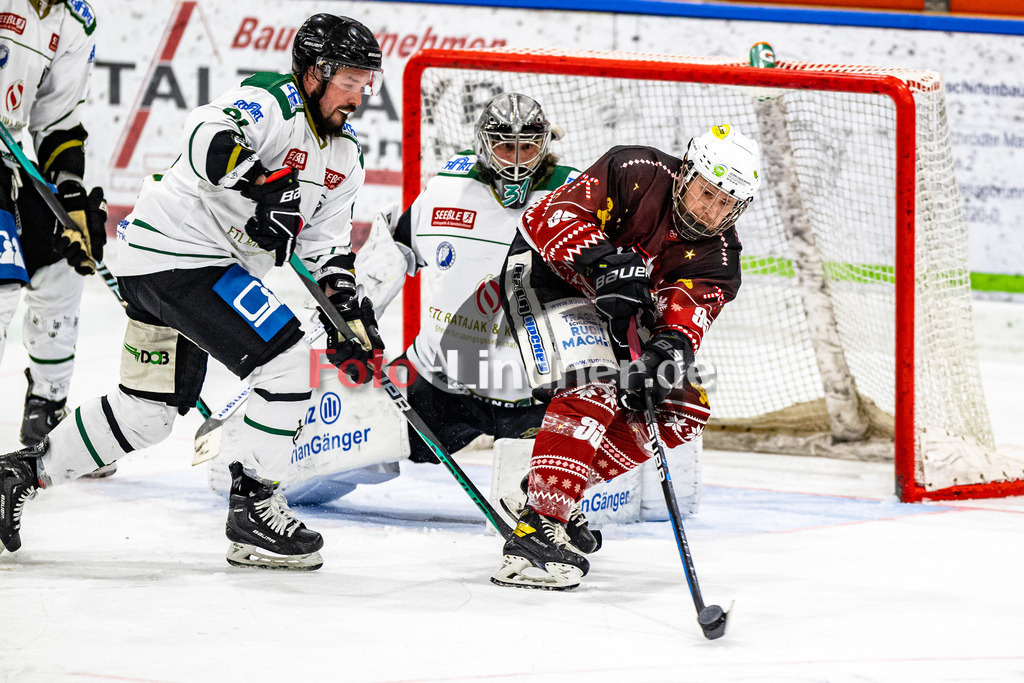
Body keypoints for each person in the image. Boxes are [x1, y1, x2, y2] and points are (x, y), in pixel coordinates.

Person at [0, 13, 385, 571]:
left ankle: (19, 474)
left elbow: (327, 250)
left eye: (365, 83)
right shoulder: (272, 100)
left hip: (170, 267)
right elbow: (205, 133)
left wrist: (348, 314)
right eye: (348, 81)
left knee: (147, 414)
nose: (358, 95)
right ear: (312, 73)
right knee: (288, 363)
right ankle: (255, 507)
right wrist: (260, 187)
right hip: (178, 256)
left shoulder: (344, 157)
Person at [494, 125, 762, 589]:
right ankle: (536, 528)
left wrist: (663, 354)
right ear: (685, 173)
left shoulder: (719, 257)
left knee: (682, 409)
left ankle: (551, 491)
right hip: (543, 275)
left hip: (615, 312)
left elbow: (683, 322)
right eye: (705, 192)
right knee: (594, 381)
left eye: (725, 203)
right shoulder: (636, 169)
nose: (709, 210)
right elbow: (548, 218)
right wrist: (602, 260)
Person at [390, 93, 579, 468]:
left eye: (528, 148)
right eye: (505, 147)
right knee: (362, 439)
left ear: (545, 147)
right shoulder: (448, 186)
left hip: (536, 396)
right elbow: (392, 250)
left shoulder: (574, 196)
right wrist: (353, 311)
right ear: (483, 146)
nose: (517, 161)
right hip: (441, 383)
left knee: (548, 490)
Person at [0, 0, 108, 468]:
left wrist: (71, 193)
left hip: (7, 159)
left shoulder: (75, 18)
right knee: (2, 284)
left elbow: (56, 120)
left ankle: (47, 403)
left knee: (63, 251)